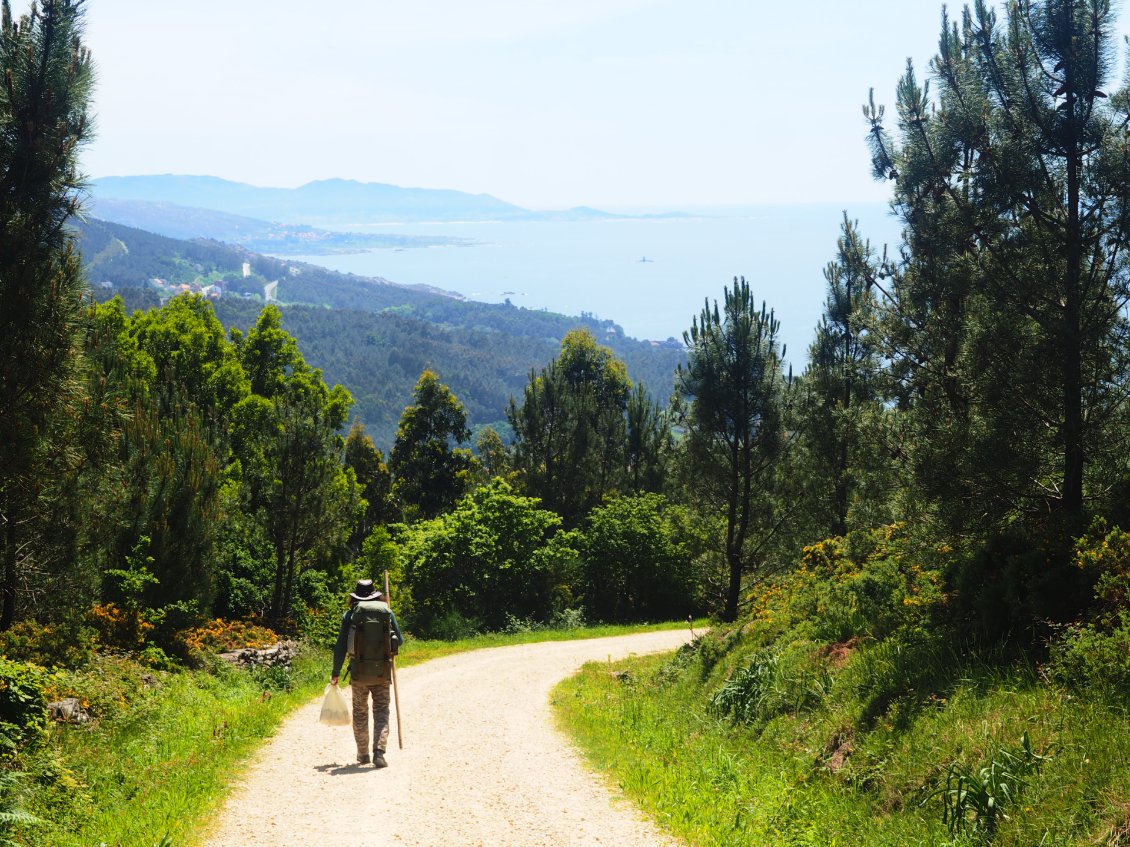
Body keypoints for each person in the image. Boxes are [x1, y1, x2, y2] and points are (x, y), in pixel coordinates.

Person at [330, 578, 403, 768]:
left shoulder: (350, 614)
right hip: (382, 673)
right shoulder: (386, 612)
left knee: (360, 713)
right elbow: (399, 640)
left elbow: (340, 646)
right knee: (381, 712)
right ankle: (379, 752)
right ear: (374, 594)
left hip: (358, 673)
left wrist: (335, 672)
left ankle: (363, 755)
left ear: (355, 596)